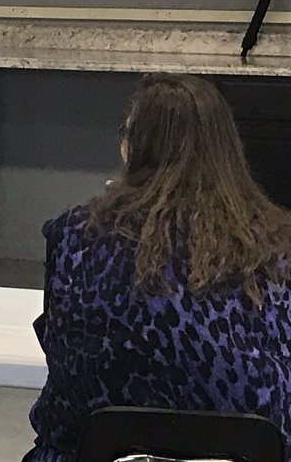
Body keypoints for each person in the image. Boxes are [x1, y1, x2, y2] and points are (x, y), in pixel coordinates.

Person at [27, 73, 291, 462]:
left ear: (131, 148)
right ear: (227, 148)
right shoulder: (277, 245)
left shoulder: (75, 235)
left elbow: (59, 347)